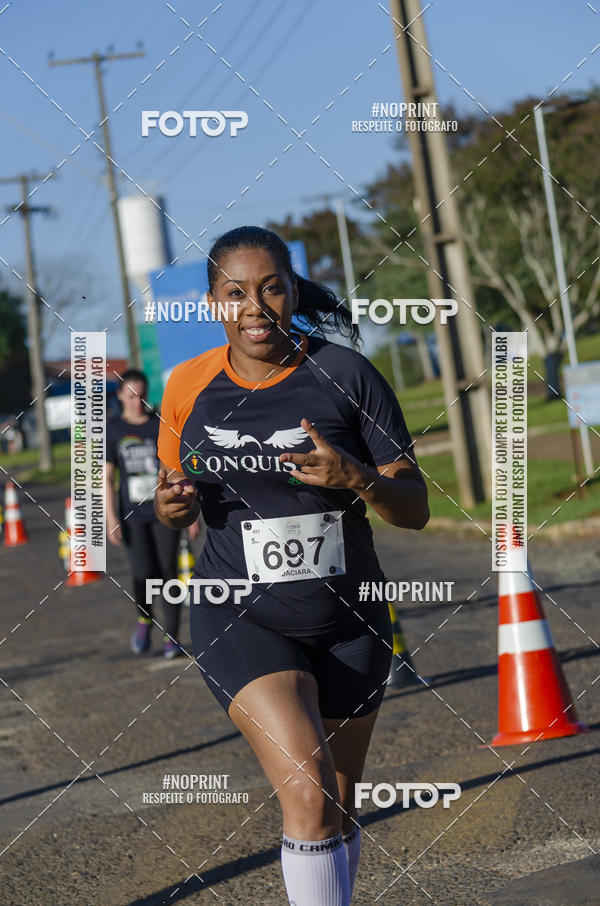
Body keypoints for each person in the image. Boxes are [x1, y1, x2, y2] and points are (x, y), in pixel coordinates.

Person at [155, 226, 429, 905]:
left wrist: (355, 477)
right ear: (212, 303)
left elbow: (414, 507)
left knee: (337, 804)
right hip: (239, 611)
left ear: (293, 291)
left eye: (272, 287)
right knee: (307, 797)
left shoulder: (346, 374)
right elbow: (174, 502)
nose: (255, 306)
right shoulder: (186, 386)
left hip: (349, 616)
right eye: (235, 293)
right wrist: (173, 508)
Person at [106, 368, 187, 658]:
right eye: (130, 396)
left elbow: (177, 469)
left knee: (168, 572)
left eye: (141, 396)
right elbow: (107, 477)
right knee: (143, 573)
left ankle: (173, 636)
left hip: (163, 511)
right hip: (132, 516)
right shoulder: (113, 430)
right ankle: (144, 620)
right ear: (120, 397)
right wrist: (111, 518)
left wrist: (187, 513)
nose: (137, 402)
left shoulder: (160, 425)